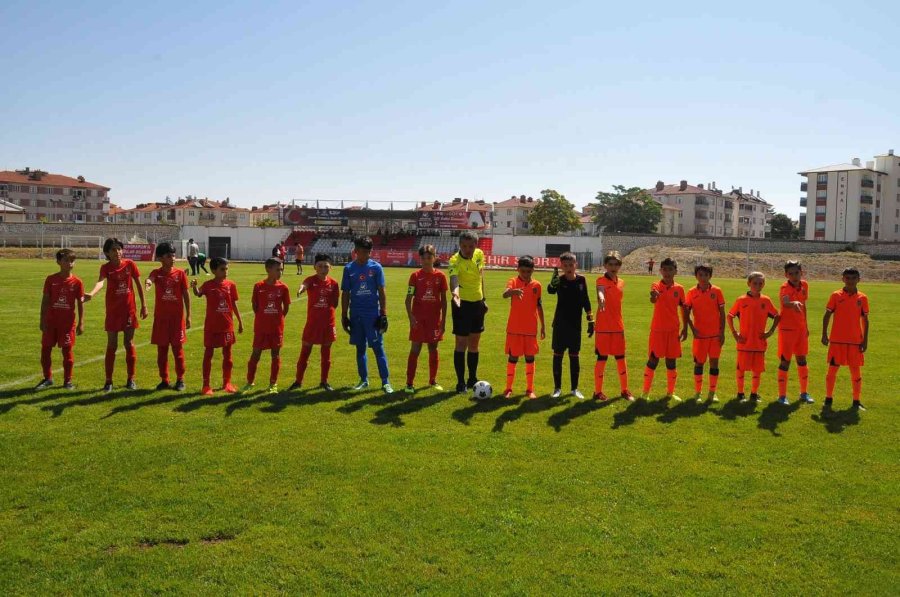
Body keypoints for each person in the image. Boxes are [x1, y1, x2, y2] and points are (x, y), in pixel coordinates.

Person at [86, 237, 148, 392]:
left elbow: (139, 285)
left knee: (129, 344)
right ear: (107, 252)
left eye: (119, 249)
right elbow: (100, 283)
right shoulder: (105, 268)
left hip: (129, 311)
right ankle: (108, 381)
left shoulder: (130, 264)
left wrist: (144, 305)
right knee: (112, 345)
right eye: (113, 249)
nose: (117, 252)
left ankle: (131, 379)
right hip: (113, 312)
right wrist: (92, 294)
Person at [341, 236, 393, 393]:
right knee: (360, 348)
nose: (365, 255)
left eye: (368, 252)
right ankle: (364, 380)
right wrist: (344, 315)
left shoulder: (376, 268)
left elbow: (382, 292)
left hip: (372, 314)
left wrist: (383, 314)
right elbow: (345, 293)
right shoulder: (349, 269)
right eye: (362, 251)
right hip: (356, 313)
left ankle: (385, 382)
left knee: (378, 348)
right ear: (355, 251)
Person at [192, 257, 244, 395]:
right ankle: (206, 385)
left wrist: (239, 321)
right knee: (208, 354)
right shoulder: (208, 285)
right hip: (212, 326)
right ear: (214, 270)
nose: (226, 271)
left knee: (228, 355)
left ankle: (227, 383)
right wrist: (194, 286)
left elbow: (234, 304)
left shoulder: (231, 285)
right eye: (222, 269)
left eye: (227, 269)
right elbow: (198, 294)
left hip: (227, 325)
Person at [35, 249, 85, 390]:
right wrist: (42, 320)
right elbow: (45, 301)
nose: (70, 263)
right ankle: (47, 378)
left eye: (72, 261)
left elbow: (80, 304)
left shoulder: (77, 282)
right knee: (45, 350)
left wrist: (81, 322)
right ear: (58, 262)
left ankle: (67, 381)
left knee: (67, 352)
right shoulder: (51, 279)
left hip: (67, 324)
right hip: (51, 322)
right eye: (66, 260)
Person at [290, 253, 340, 391]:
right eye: (320, 266)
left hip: (328, 324)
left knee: (326, 355)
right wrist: (301, 289)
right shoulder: (311, 280)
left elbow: (335, 304)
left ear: (330, 267)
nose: (323, 268)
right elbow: (304, 284)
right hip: (312, 324)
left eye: (326, 266)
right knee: (305, 352)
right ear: (314, 267)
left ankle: (324, 381)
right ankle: (298, 381)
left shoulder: (334, 284)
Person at [821, 267, 869, 412]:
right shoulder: (836, 296)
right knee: (832, 371)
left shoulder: (862, 298)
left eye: (853, 278)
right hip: (837, 341)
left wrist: (865, 340)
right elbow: (827, 315)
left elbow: (865, 320)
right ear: (843, 279)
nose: (850, 281)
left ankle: (856, 401)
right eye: (847, 278)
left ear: (858, 279)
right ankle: (828, 399)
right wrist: (824, 334)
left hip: (855, 342)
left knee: (855, 372)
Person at [727, 272, 779, 403]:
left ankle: (754, 394)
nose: (757, 285)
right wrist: (734, 333)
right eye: (755, 283)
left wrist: (770, 331)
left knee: (757, 370)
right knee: (741, 369)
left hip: (759, 343)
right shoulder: (741, 300)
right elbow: (730, 316)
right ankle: (740, 394)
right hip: (744, 342)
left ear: (764, 284)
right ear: (748, 283)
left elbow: (777, 315)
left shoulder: (766, 301)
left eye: (760, 283)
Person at [145, 242, 191, 391]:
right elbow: (150, 278)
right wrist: (148, 282)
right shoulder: (156, 273)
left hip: (177, 320)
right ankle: (164, 380)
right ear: (160, 258)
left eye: (173, 255)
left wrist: (188, 315)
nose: (173, 258)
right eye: (168, 256)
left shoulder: (180, 274)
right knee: (162, 352)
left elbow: (186, 295)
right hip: (161, 320)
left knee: (178, 351)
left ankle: (180, 379)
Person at [641, 257, 688, 401]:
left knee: (671, 362)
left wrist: (685, 328)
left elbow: (684, 309)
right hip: (658, 330)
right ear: (661, 271)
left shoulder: (679, 289)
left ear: (675, 271)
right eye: (664, 269)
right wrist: (654, 296)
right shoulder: (656, 285)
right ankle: (645, 393)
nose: (667, 272)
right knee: (653, 360)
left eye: (670, 269)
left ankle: (670, 393)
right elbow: (653, 298)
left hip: (673, 331)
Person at [547, 252, 593, 399]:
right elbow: (550, 291)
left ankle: (574, 389)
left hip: (575, 324)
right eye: (565, 265)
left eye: (571, 265)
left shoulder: (582, 280)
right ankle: (557, 389)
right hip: (560, 323)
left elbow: (586, 299)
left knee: (574, 356)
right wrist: (551, 284)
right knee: (558, 356)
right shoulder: (559, 280)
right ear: (561, 266)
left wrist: (590, 319)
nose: (568, 268)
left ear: (576, 265)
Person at [242, 258, 291, 394]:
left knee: (275, 355)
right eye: (277, 269)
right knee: (256, 354)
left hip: (276, 328)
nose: (280, 272)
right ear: (268, 269)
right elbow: (255, 306)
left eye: (281, 269)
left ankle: (273, 383)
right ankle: (249, 381)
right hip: (261, 327)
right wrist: (263, 317)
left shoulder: (283, 287)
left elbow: (286, 307)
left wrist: (278, 319)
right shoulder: (258, 286)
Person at [404, 244, 448, 393]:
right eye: (424, 257)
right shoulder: (415, 276)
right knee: (415, 349)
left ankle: (433, 381)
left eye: (429, 257)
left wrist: (443, 321)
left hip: (434, 320)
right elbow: (408, 299)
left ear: (434, 258)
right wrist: (411, 318)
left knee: (433, 348)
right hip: (418, 320)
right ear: (420, 258)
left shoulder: (440, 276)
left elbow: (444, 301)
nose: (427, 260)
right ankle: (409, 383)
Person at [448, 230, 487, 393]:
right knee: (461, 343)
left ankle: (472, 378)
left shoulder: (479, 255)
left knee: (474, 343)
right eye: (464, 246)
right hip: (461, 304)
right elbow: (454, 280)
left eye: (471, 246)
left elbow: (481, 277)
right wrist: (456, 295)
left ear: (476, 246)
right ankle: (460, 382)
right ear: (460, 245)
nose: (467, 249)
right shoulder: (454, 260)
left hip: (477, 304)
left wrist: (484, 299)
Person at [502, 255, 545, 399]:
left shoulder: (537, 285)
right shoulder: (513, 281)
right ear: (518, 269)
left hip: (531, 328)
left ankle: (529, 389)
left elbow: (539, 306)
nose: (526, 274)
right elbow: (504, 294)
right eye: (523, 271)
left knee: (530, 358)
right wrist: (513, 292)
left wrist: (543, 326)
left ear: (533, 270)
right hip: (514, 328)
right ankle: (508, 389)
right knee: (513, 357)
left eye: (529, 271)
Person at [594, 251, 634, 402]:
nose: (613, 267)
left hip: (618, 326)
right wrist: (601, 299)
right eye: (610, 264)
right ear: (605, 265)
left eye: (616, 264)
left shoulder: (621, 282)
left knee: (621, 358)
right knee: (602, 358)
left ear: (619, 266)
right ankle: (597, 391)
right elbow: (600, 292)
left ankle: (624, 390)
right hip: (603, 327)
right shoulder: (600, 280)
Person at [684, 264, 726, 403]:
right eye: (700, 275)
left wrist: (722, 332)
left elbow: (722, 313)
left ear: (710, 276)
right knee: (699, 364)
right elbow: (686, 312)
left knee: (714, 363)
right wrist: (692, 328)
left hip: (714, 335)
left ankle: (712, 393)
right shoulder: (691, 292)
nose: (703, 278)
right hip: (700, 336)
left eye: (706, 275)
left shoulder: (717, 291)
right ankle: (698, 393)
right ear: (696, 276)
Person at [777, 261, 814, 405]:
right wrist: (794, 304)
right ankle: (782, 396)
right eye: (790, 274)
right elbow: (785, 302)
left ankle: (804, 393)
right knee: (785, 361)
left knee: (802, 360)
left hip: (800, 329)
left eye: (796, 273)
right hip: (787, 330)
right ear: (786, 275)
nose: (794, 276)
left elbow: (804, 306)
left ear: (801, 272)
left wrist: (806, 326)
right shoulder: (784, 287)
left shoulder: (804, 285)